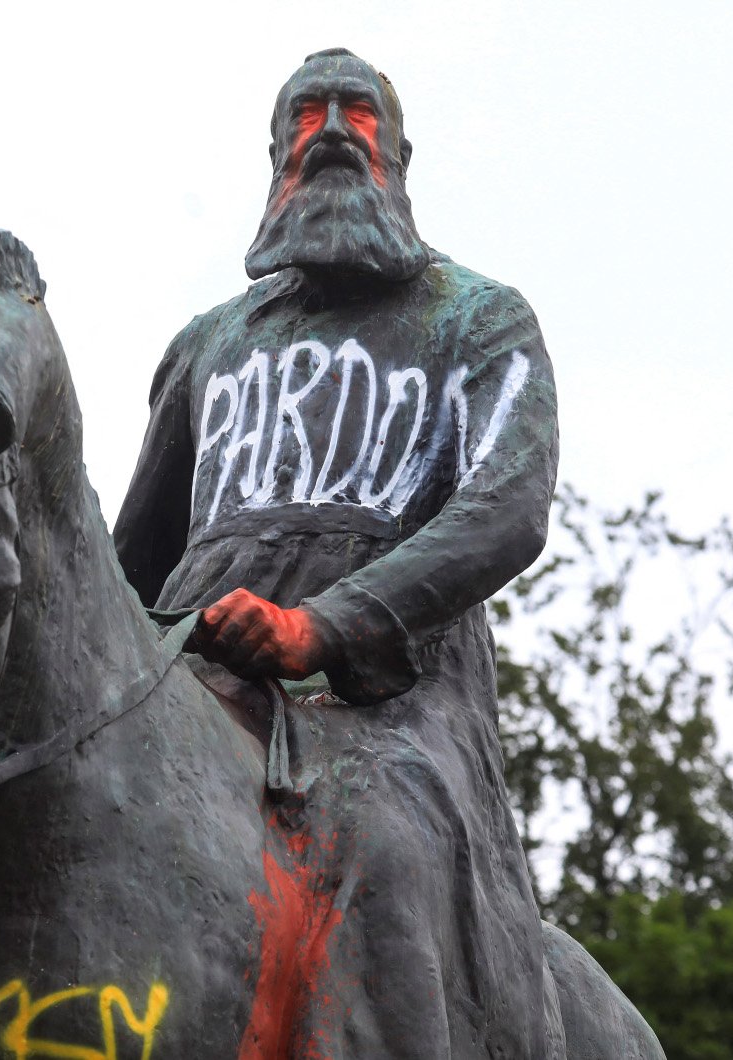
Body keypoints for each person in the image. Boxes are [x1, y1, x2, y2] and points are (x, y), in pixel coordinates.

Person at [114, 48, 564, 1059]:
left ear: (397, 155)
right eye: (305, 115)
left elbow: (507, 508)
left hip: (389, 708)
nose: (329, 130)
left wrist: (321, 626)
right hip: (191, 672)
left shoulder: (480, 318)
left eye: (355, 112)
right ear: (276, 160)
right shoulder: (205, 345)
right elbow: (134, 554)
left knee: (383, 844)